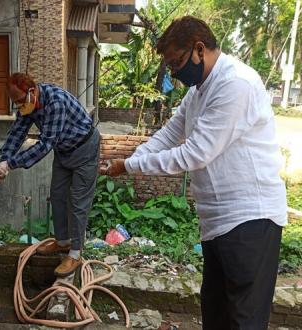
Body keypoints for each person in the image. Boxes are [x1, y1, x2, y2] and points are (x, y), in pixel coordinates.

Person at [100, 16, 287, 330]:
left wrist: (130, 166)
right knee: (216, 313)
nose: (174, 72)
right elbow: (169, 134)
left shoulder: (234, 84)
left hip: (250, 220)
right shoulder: (198, 90)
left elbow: (195, 153)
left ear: (200, 49)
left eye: (176, 63)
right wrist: (132, 157)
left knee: (244, 319)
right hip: (217, 222)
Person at [0, 72, 100, 277]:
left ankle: (75, 252)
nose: (20, 106)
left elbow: (45, 144)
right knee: (57, 195)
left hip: (85, 148)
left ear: (32, 91)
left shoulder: (55, 101)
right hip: (64, 151)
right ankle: (63, 242)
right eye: (15, 103)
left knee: (78, 201)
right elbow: (17, 133)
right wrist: (4, 160)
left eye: (20, 101)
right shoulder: (27, 104)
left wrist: (11, 164)